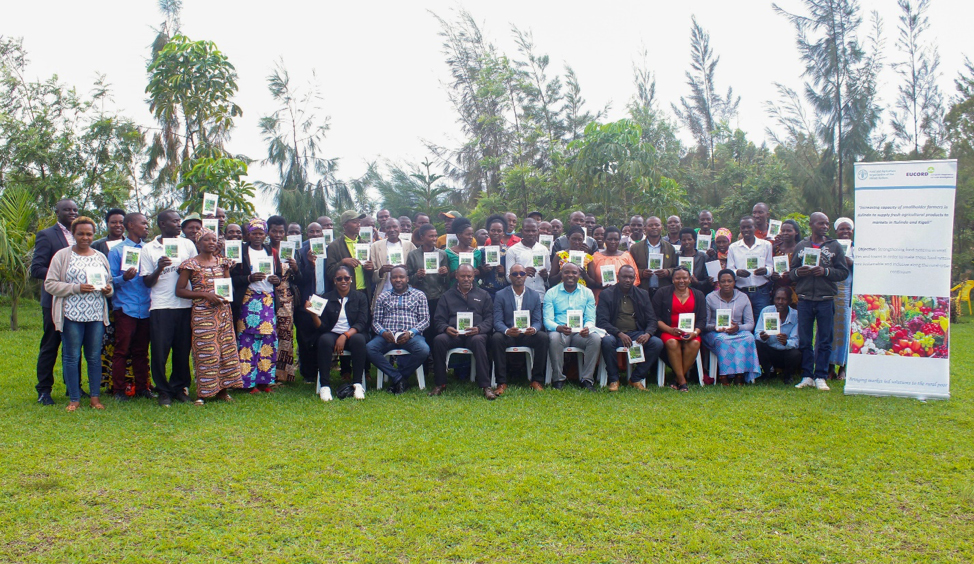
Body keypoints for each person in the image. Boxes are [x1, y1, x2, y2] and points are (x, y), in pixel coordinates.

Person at [43, 216, 113, 411]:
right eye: (80, 233)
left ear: (94, 235)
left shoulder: (100, 257)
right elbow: (50, 284)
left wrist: (108, 290)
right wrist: (76, 288)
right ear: (73, 234)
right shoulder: (62, 256)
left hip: (96, 315)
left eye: (89, 234)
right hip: (71, 314)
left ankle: (95, 398)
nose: (85, 237)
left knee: (93, 356)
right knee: (72, 356)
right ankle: (74, 398)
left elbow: (110, 284)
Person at [174, 228, 244, 404]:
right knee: (206, 351)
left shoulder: (223, 263)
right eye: (207, 239)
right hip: (202, 313)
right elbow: (180, 290)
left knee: (225, 351)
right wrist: (205, 294)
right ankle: (203, 393)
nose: (211, 242)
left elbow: (228, 287)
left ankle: (223, 390)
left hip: (223, 312)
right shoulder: (190, 264)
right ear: (198, 243)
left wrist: (225, 295)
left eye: (214, 240)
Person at [141, 210, 197, 405]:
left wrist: (185, 270)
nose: (178, 225)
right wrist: (159, 268)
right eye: (174, 221)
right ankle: (163, 390)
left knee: (182, 350)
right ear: (162, 224)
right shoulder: (149, 248)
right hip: (161, 306)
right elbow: (147, 282)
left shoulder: (187, 244)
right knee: (159, 351)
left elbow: (196, 273)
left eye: (179, 221)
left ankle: (179, 388)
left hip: (184, 305)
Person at [790, 212, 850, 391]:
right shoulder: (801, 246)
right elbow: (792, 271)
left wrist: (825, 272)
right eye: (821, 224)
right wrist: (798, 273)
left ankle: (821, 376)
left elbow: (843, 272)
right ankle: (807, 375)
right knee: (805, 340)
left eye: (827, 224)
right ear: (811, 224)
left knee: (824, 339)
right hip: (805, 299)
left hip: (825, 299)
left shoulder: (835, 246)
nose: (824, 227)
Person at [31, 198, 78, 405]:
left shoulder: (81, 236)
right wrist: (63, 277)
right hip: (55, 299)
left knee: (75, 345)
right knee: (51, 344)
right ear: (57, 212)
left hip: (79, 301)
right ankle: (44, 390)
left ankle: (74, 388)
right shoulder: (47, 235)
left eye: (75, 209)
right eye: (67, 209)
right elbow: (37, 268)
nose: (72, 213)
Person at [429, 264, 495, 399]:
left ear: (473, 277)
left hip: (476, 334)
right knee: (439, 340)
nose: (466, 279)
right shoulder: (447, 296)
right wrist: (446, 328)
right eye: (463, 276)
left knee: (478, 341)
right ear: (456, 276)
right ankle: (440, 383)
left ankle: (485, 386)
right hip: (454, 335)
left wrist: (479, 329)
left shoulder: (483, 295)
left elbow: (490, 318)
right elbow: (438, 320)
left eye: (469, 276)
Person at [231, 218, 282, 392]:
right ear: (248, 234)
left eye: (261, 233)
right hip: (248, 299)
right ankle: (247, 382)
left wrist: (276, 280)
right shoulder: (242, 251)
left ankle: (264, 380)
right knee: (248, 340)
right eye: (254, 233)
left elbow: (279, 275)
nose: (257, 237)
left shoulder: (272, 251)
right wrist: (249, 278)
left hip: (267, 300)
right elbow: (231, 277)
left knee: (268, 339)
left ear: (266, 234)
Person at [107, 213, 153, 401]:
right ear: (131, 225)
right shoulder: (117, 251)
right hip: (126, 307)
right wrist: (123, 278)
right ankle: (118, 390)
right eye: (143, 223)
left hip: (146, 307)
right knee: (122, 349)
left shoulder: (149, 250)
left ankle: (143, 387)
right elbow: (108, 280)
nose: (147, 226)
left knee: (141, 350)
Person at [596, 265, 664, 391]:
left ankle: (635, 378)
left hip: (636, 334)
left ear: (634, 278)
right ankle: (614, 379)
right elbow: (601, 321)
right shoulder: (607, 294)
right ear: (618, 277)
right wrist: (619, 333)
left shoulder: (642, 294)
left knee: (657, 343)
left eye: (631, 277)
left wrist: (648, 334)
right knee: (606, 341)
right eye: (624, 277)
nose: (627, 280)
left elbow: (652, 320)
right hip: (614, 334)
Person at [307, 265, 369, 401]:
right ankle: (325, 386)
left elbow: (361, 322)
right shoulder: (326, 298)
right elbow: (322, 327)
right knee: (324, 340)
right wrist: (313, 316)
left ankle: (357, 384)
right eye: (339, 278)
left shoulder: (360, 297)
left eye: (346, 278)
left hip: (352, 333)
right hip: (332, 333)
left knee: (359, 340)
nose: (343, 281)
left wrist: (345, 335)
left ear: (351, 279)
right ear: (334, 280)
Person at [367, 266, 431, 394]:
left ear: (407, 279)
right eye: (394, 277)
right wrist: (382, 333)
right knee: (369, 348)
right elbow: (376, 322)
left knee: (423, 350)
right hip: (387, 336)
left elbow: (425, 320)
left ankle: (399, 377)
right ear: (390, 280)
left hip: (411, 335)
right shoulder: (383, 296)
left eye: (401, 277)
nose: (398, 280)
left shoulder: (419, 295)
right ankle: (399, 378)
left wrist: (411, 332)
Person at [490, 264, 548, 392]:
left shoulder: (534, 295)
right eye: (515, 274)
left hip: (527, 335)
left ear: (526, 276)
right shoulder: (500, 295)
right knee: (496, 338)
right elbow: (497, 320)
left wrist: (533, 329)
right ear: (510, 276)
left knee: (542, 337)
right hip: (509, 335)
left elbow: (538, 320)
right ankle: (501, 383)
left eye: (522, 273)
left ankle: (536, 380)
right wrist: (507, 331)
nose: (518, 276)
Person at [543, 262, 600, 390]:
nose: (570, 275)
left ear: (579, 275)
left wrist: (587, 328)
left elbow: (590, 318)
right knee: (554, 337)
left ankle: (587, 379)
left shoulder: (587, 293)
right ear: (561, 275)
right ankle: (558, 379)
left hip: (580, 334)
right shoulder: (551, 293)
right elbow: (547, 320)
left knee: (595, 338)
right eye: (566, 272)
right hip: (560, 332)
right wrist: (559, 327)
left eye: (574, 272)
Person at [703, 270, 761, 385]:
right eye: (723, 281)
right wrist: (716, 327)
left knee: (749, 338)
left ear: (734, 282)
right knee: (723, 339)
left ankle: (740, 375)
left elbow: (750, 324)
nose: (726, 284)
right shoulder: (710, 298)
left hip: (737, 331)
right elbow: (704, 324)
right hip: (716, 333)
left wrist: (737, 328)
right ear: (718, 283)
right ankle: (724, 376)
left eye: (729, 281)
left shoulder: (743, 297)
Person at [652, 267, 706, 391]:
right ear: (672, 280)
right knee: (672, 342)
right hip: (668, 330)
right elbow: (655, 317)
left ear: (690, 279)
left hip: (691, 332)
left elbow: (702, 319)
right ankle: (682, 381)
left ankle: (677, 379)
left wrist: (695, 332)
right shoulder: (662, 293)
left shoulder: (698, 295)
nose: (681, 281)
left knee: (695, 342)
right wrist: (670, 330)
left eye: (685, 278)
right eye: (678, 278)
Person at [92, 207, 127, 393]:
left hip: (127, 300)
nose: (118, 225)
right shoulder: (98, 245)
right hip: (105, 301)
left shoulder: (133, 245)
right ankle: (106, 381)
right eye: (114, 222)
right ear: (107, 224)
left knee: (127, 342)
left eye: (121, 222)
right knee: (106, 343)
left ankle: (130, 380)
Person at [267, 215, 300, 383]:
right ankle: (266, 372)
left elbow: (300, 277)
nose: (277, 235)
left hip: (286, 297)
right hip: (266, 295)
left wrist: (295, 267)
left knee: (286, 333)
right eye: (274, 231)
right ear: (268, 231)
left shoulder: (291, 250)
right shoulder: (263, 250)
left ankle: (284, 374)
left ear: (285, 233)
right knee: (268, 332)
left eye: (281, 232)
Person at [406, 224, 450, 350]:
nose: (434, 238)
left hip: (438, 296)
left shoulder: (442, 254)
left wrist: (444, 274)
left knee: (437, 328)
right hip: (421, 297)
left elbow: (446, 281)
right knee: (424, 329)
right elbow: (408, 279)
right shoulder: (413, 255)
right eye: (431, 236)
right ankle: (424, 360)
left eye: (435, 235)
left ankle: (436, 358)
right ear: (422, 237)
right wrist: (417, 276)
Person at [726, 216, 774, 322]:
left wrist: (765, 271)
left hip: (761, 291)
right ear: (740, 229)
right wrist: (737, 272)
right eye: (743, 227)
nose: (746, 230)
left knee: (761, 322)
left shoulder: (766, 245)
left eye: (749, 227)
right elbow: (730, 270)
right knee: (742, 321)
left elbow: (771, 268)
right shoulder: (733, 247)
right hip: (741, 292)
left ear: (755, 227)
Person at [755, 286, 801, 383]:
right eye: (777, 299)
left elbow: (796, 341)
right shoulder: (766, 311)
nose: (780, 302)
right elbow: (757, 333)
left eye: (784, 299)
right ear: (773, 299)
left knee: (796, 353)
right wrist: (762, 337)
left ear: (789, 301)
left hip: (786, 353)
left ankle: (788, 375)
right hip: (770, 351)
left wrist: (786, 342)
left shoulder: (796, 315)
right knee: (757, 343)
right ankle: (769, 372)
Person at [325, 210, 374, 301]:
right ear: (345, 225)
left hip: (364, 292)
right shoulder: (335, 246)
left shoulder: (364, 244)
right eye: (354, 222)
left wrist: (370, 268)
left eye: (359, 222)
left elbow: (370, 273)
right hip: (345, 293)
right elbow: (329, 273)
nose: (358, 225)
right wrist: (343, 262)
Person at [371, 217, 416, 310]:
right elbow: (372, 276)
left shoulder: (409, 245)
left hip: (405, 292)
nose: (392, 230)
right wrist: (381, 271)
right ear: (385, 229)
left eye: (395, 227)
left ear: (399, 228)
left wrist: (406, 269)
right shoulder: (376, 246)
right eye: (388, 227)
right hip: (383, 291)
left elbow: (416, 268)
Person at [830, 217, 855, 380]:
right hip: (831, 293)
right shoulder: (831, 247)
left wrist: (851, 262)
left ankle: (843, 367)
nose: (845, 232)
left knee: (846, 330)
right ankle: (829, 366)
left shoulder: (857, 249)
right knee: (829, 329)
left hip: (848, 294)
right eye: (841, 229)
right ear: (836, 231)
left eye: (848, 229)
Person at [588, 227, 640, 303]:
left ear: (620, 240)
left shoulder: (626, 256)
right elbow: (591, 280)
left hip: (623, 297)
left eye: (616, 239)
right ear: (604, 240)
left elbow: (635, 278)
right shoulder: (595, 257)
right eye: (610, 239)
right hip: (600, 297)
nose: (613, 242)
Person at [630, 216, 677, 295]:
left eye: (657, 225)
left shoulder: (670, 248)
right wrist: (641, 273)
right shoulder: (635, 248)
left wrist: (667, 272)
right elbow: (630, 269)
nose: (654, 227)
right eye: (650, 225)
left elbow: (676, 268)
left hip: (664, 290)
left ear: (661, 227)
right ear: (645, 228)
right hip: (642, 290)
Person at [505, 218, 550, 296]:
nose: (531, 233)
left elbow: (549, 274)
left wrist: (546, 275)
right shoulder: (513, 250)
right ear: (522, 231)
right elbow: (508, 278)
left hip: (540, 294)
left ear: (538, 231)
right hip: (520, 295)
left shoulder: (544, 249)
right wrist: (523, 273)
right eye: (527, 231)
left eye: (533, 231)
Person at [476, 215, 510, 296]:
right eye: (493, 230)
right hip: (487, 292)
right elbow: (478, 274)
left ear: (503, 233)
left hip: (505, 292)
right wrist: (483, 270)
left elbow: (513, 272)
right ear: (488, 232)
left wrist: (504, 272)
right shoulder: (482, 251)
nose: (496, 233)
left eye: (499, 231)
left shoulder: (509, 250)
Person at [769, 219, 801, 306]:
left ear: (796, 232)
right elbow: (769, 265)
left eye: (789, 231)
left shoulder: (800, 249)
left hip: (796, 290)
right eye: (783, 231)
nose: (785, 233)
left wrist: (793, 274)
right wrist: (773, 275)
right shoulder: (775, 248)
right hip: (778, 289)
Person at [444, 217, 481, 285]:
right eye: (468, 234)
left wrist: (478, 272)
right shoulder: (448, 253)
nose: (471, 237)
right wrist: (455, 273)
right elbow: (445, 277)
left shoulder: (477, 253)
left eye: (471, 234)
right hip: (454, 291)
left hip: (473, 290)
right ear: (459, 235)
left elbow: (481, 275)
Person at [676, 227, 712, 293]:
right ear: (680, 241)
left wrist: (697, 282)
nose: (687, 242)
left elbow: (708, 280)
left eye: (689, 239)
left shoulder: (703, 257)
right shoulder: (676, 256)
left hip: (698, 292)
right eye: (684, 240)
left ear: (695, 240)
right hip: (679, 292)